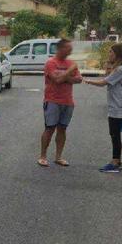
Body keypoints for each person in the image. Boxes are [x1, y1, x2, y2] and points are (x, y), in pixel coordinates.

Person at [37, 39, 83, 167]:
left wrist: (65, 77)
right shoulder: (51, 63)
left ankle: (58, 157)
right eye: (68, 48)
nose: (71, 50)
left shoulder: (70, 63)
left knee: (62, 129)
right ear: (60, 48)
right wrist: (69, 72)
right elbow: (56, 80)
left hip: (68, 101)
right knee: (50, 128)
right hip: (52, 101)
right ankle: (43, 156)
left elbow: (79, 79)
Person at [84, 43, 122, 172]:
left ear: (118, 54)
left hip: (118, 108)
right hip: (118, 106)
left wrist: (87, 80)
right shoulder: (119, 68)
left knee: (115, 134)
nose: (109, 55)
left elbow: (103, 82)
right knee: (115, 134)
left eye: (111, 52)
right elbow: (107, 76)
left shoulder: (120, 70)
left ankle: (115, 162)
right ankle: (116, 160)